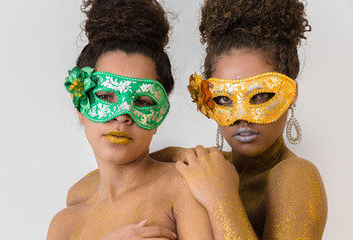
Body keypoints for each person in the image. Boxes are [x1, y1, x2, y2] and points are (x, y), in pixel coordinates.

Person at [66, 0, 328, 239]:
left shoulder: (295, 175)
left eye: (261, 96)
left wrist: (221, 200)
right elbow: (99, 186)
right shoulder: (206, 166)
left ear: (291, 93)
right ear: (206, 99)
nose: (240, 117)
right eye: (224, 99)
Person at [46, 0, 214, 239]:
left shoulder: (184, 187)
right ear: (80, 105)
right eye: (105, 96)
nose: (123, 115)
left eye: (143, 102)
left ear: (158, 118)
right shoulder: (64, 225)